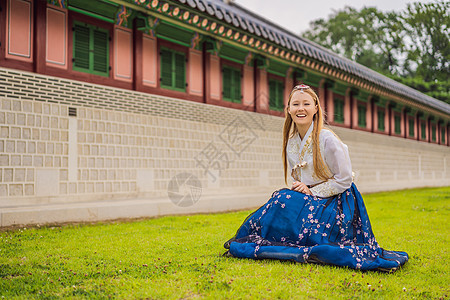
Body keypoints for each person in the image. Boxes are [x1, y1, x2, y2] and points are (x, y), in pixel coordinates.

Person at [224, 84, 408, 271]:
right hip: (310, 197)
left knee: (283, 199)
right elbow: (299, 176)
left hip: (338, 200)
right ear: (288, 109)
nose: (300, 108)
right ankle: (261, 242)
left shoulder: (328, 139)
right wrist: (303, 188)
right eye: (295, 104)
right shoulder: (292, 141)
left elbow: (345, 180)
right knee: (280, 200)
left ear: (315, 108)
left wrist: (312, 191)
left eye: (306, 104)